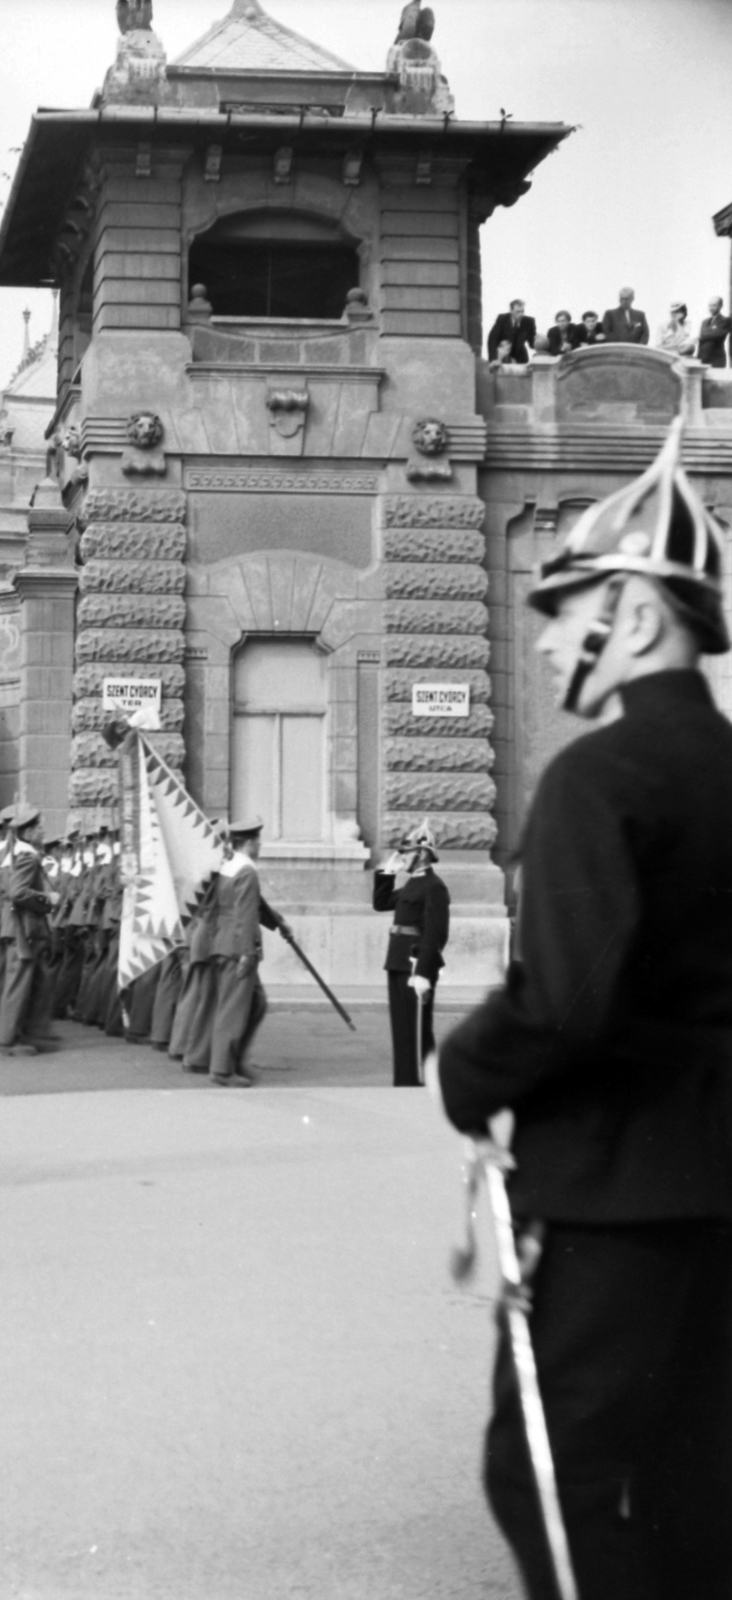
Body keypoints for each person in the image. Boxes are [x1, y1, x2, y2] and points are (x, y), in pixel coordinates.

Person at [435, 422, 732, 1598]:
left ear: (639, 616)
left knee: (547, 1478)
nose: (551, 632)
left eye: (567, 606)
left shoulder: (595, 779)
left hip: (613, 1192)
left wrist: (466, 1071)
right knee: (694, 1479)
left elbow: (562, 1001)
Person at [202, 816, 287, 1086]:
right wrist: (247, 954)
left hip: (224, 942)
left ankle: (234, 1059)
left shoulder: (230, 866)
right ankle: (222, 1069)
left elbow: (255, 906)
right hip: (236, 948)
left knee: (256, 1004)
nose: (260, 846)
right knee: (233, 1009)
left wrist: (278, 923)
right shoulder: (247, 871)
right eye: (257, 841)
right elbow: (247, 915)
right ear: (248, 843)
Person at [372, 820, 450, 1087]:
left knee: (416, 1028)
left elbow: (436, 933)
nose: (402, 857)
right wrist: (387, 872)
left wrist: (425, 973)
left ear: (423, 854)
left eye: (407, 853)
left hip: (415, 964)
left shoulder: (434, 886)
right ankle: (405, 1080)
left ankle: (419, 1081)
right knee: (402, 1028)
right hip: (397, 960)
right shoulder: (411, 884)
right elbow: (380, 903)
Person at [0, 804, 57, 1057]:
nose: (43, 831)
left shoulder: (19, 854)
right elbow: (18, 892)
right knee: (18, 983)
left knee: (23, 982)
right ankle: (8, 1039)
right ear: (29, 833)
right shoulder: (28, 856)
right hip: (26, 927)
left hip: (20, 925)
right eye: (39, 827)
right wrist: (46, 898)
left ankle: (19, 1034)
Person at [486, 299, 536, 365]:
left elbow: (532, 342)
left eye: (522, 311)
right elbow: (492, 339)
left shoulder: (529, 322)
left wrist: (540, 343)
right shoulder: (502, 319)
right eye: (518, 312)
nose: (521, 314)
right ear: (511, 311)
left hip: (521, 358)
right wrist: (493, 359)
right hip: (504, 356)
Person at [697, 295, 730, 367]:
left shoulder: (725, 320)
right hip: (702, 361)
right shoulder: (704, 322)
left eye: (714, 305)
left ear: (720, 306)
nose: (711, 308)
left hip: (716, 361)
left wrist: (703, 335)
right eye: (710, 305)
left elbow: (717, 335)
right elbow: (702, 340)